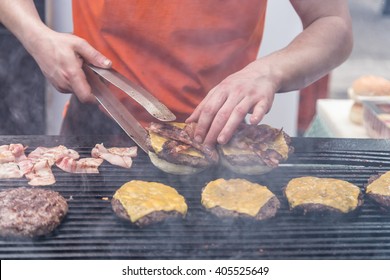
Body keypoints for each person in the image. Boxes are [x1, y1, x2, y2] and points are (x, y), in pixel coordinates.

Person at [0, 0, 352, 145]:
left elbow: (333, 24)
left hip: (216, 138)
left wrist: (270, 71)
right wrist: (37, 35)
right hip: (98, 131)